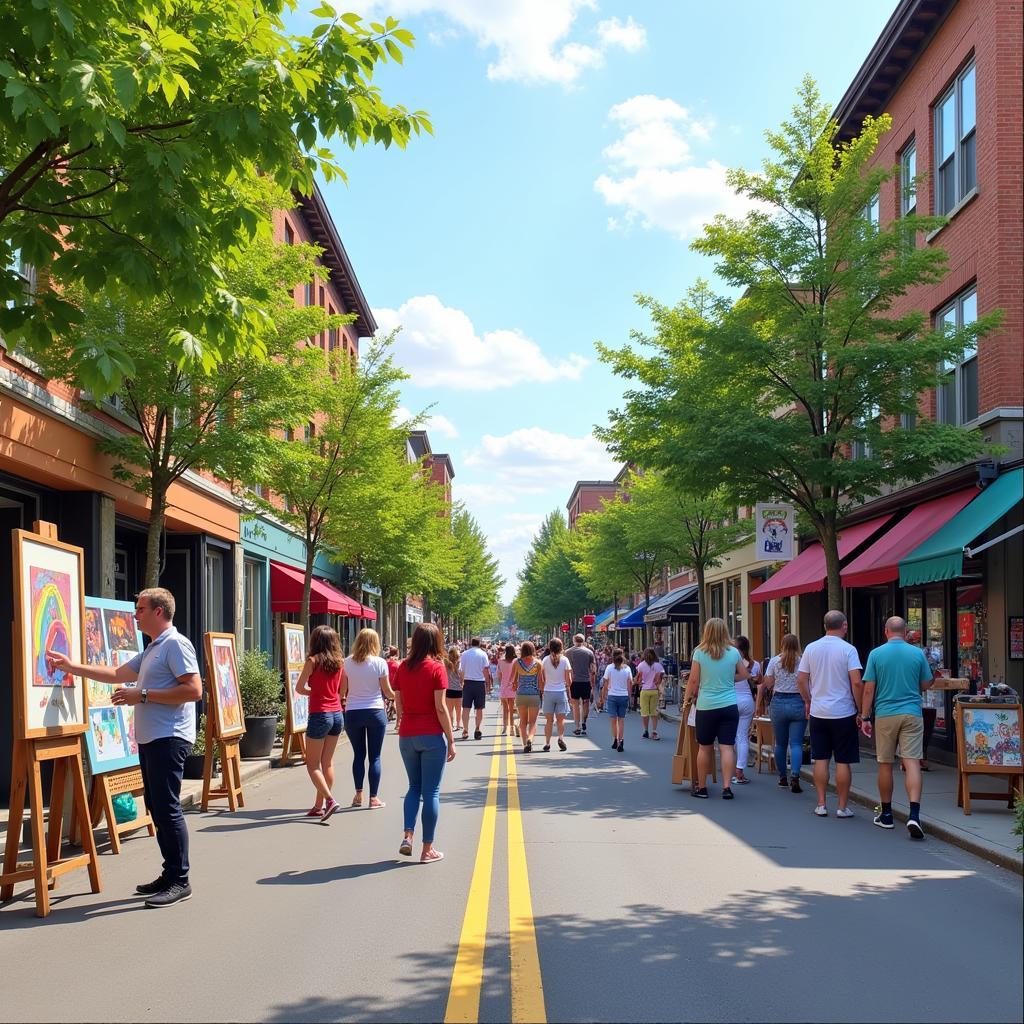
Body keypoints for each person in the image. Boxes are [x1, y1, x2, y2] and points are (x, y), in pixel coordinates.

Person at [47, 587, 202, 907]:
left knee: (168, 808)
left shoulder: (175, 643)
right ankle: (170, 872)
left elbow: (194, 690)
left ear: (159, 612)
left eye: (141, 609)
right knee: (157, 808)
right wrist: (71, 667)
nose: (135, 615)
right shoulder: (154, 648)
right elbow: (117, 673)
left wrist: (141, 695)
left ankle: (180, 879)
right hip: (151, 738)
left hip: (169, 737)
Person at [860, 616, 933, 839]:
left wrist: (864, 716)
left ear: (886, 631)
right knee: (912, 762)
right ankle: (914, 815)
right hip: (912, 712)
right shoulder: (917, 653)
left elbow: (869, 689)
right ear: (906, 631)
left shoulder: (876, 654)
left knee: (885, 763)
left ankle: (887, 814)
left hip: (885, 714)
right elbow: (926, 683)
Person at [393, 622, 456, 864]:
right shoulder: (436, 668)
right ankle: (427, 848)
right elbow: (441, 707)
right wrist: (450, 739)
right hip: (431, 735)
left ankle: (407, 835)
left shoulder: (403, 667)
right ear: (436, 642)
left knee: (413, 788)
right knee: (431, 792)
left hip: (407, 735)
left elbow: (398, 702)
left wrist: (401, 721)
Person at [797, 610, 864, 819]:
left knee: (821, 759)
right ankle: (842, 807)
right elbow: (856, 682)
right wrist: (861, 709)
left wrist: (808, 700)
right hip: (843, 712)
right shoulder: (849, 650)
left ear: (825, 626)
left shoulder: (811, 648)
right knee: (843, 761)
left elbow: (801, 680)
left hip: (819, 711)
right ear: (844, 625)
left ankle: (821, 803)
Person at [681, 618, 749, 799]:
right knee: (727, 747)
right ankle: (727, 788)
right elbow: (744, 674)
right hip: (729, 705)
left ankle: (702, 787)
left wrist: (686, 699)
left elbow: (694, 680)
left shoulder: (700, 652)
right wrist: (728, 679)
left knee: (704, 747)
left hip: (707, 706)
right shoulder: (733, 652)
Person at [296, 625, 345, 822]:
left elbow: (299, 688)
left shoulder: (312, 661)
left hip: (319, 714)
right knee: (328, 763)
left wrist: (313, 693)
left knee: (312, 764)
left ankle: (329, 800)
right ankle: (318, 806)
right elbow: (341, 689)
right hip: (337, 714)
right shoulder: (339, 662)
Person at [341, 627, 394, 811]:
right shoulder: (380, 663)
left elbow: (342, 691)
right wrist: (399, 698)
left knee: (358, 755)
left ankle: (358, 794)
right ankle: (373, 798)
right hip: (375, 712)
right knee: (375, 757)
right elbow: (387, 691)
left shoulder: (346, 663)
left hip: (353, 712)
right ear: (375, 643)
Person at [757, 633, 806, 793]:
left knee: (780, 744)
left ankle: (782, 777)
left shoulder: (775, 661)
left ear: (782, 644)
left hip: (778, 702)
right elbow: (807, 681)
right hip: (798, 701)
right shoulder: (802, 660)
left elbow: (768, 683)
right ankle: (796, 776)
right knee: (796, 743)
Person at [732, 636, 761, 784]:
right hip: (748, 702)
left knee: (733, 737)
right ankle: (739, 771)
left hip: (731, 701)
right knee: (742, 736)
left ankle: (733, 768)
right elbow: (760, 681)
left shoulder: (730, 663)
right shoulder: (754, 664)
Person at [598, 648, 633, 752]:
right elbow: (630, 683)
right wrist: (629, 696)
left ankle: (615, 739)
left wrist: (603, 697)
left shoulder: (609, 668)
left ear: (612, 656)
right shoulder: (627, 668)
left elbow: (605, 684)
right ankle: (621, 741)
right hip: (623, 696)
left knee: (613, 721)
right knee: (621, 720)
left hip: (612, 696)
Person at [540, 637, 572, 752]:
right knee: (560, 720)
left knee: (549, 721)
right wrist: (568, 689)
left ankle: (547, 743)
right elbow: (569, 680)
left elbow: (542, 678)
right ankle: (560, 738)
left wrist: (543, 689)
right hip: (561, 692)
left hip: (548, 692)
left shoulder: (545, 660)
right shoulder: (565, 660)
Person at [512, 641, 542, 753]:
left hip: (521, 694)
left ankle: (525, 744)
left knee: (523, 722)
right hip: (534, 694)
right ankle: (530, 738)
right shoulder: (538, 663)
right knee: (533, 722)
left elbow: (513, 680)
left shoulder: (517, 662)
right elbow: (541, 681)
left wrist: (515, 685)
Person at [565, 634, 596, 736]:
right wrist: (592, 684)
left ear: (574, 640)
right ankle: (584, 722)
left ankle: (577, 726)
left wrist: (566, 684)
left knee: (575, 705)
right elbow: (593, 670)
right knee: (585, 703)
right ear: (583, 641)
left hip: (574, 681)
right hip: (586, 681)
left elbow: (566, 670)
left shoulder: (568, 652)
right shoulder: (589, 652)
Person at [459, 637, 490, 740]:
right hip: (479, 683)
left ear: (470, 643)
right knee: (479, 708)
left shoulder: (464, 654)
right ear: (479, 644)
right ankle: (477, 728)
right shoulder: (483, 654)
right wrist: (488, 683)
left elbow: (462, 670)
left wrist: (462, 681)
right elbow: (485, 670)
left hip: (468, 682)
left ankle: (465, 729)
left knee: (466, 708)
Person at [636, 648, 665, 740]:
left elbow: (639, 679)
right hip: (654, 690)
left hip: (644, 691)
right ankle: (654, 731)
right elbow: (661, 677)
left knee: (644, 712)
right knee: (654, 712)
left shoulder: (641, 665)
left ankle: (645, 730)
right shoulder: (658, 665)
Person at [497, 644, 518, 736]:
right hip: (513, 687)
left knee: (505, 709)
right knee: (512, 709)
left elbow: (499, 676)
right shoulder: (516, 661)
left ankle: (505, 728)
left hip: (504, 687)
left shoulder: (501, 662)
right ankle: (512, 729)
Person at [444, 646, 463, 732]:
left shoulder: (446, 664)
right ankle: (458, 724)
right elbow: (462, 676)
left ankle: (451, 724)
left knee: (449, 710)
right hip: (458, 689)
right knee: (458, 709)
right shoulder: (460, 664)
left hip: (448, 689)